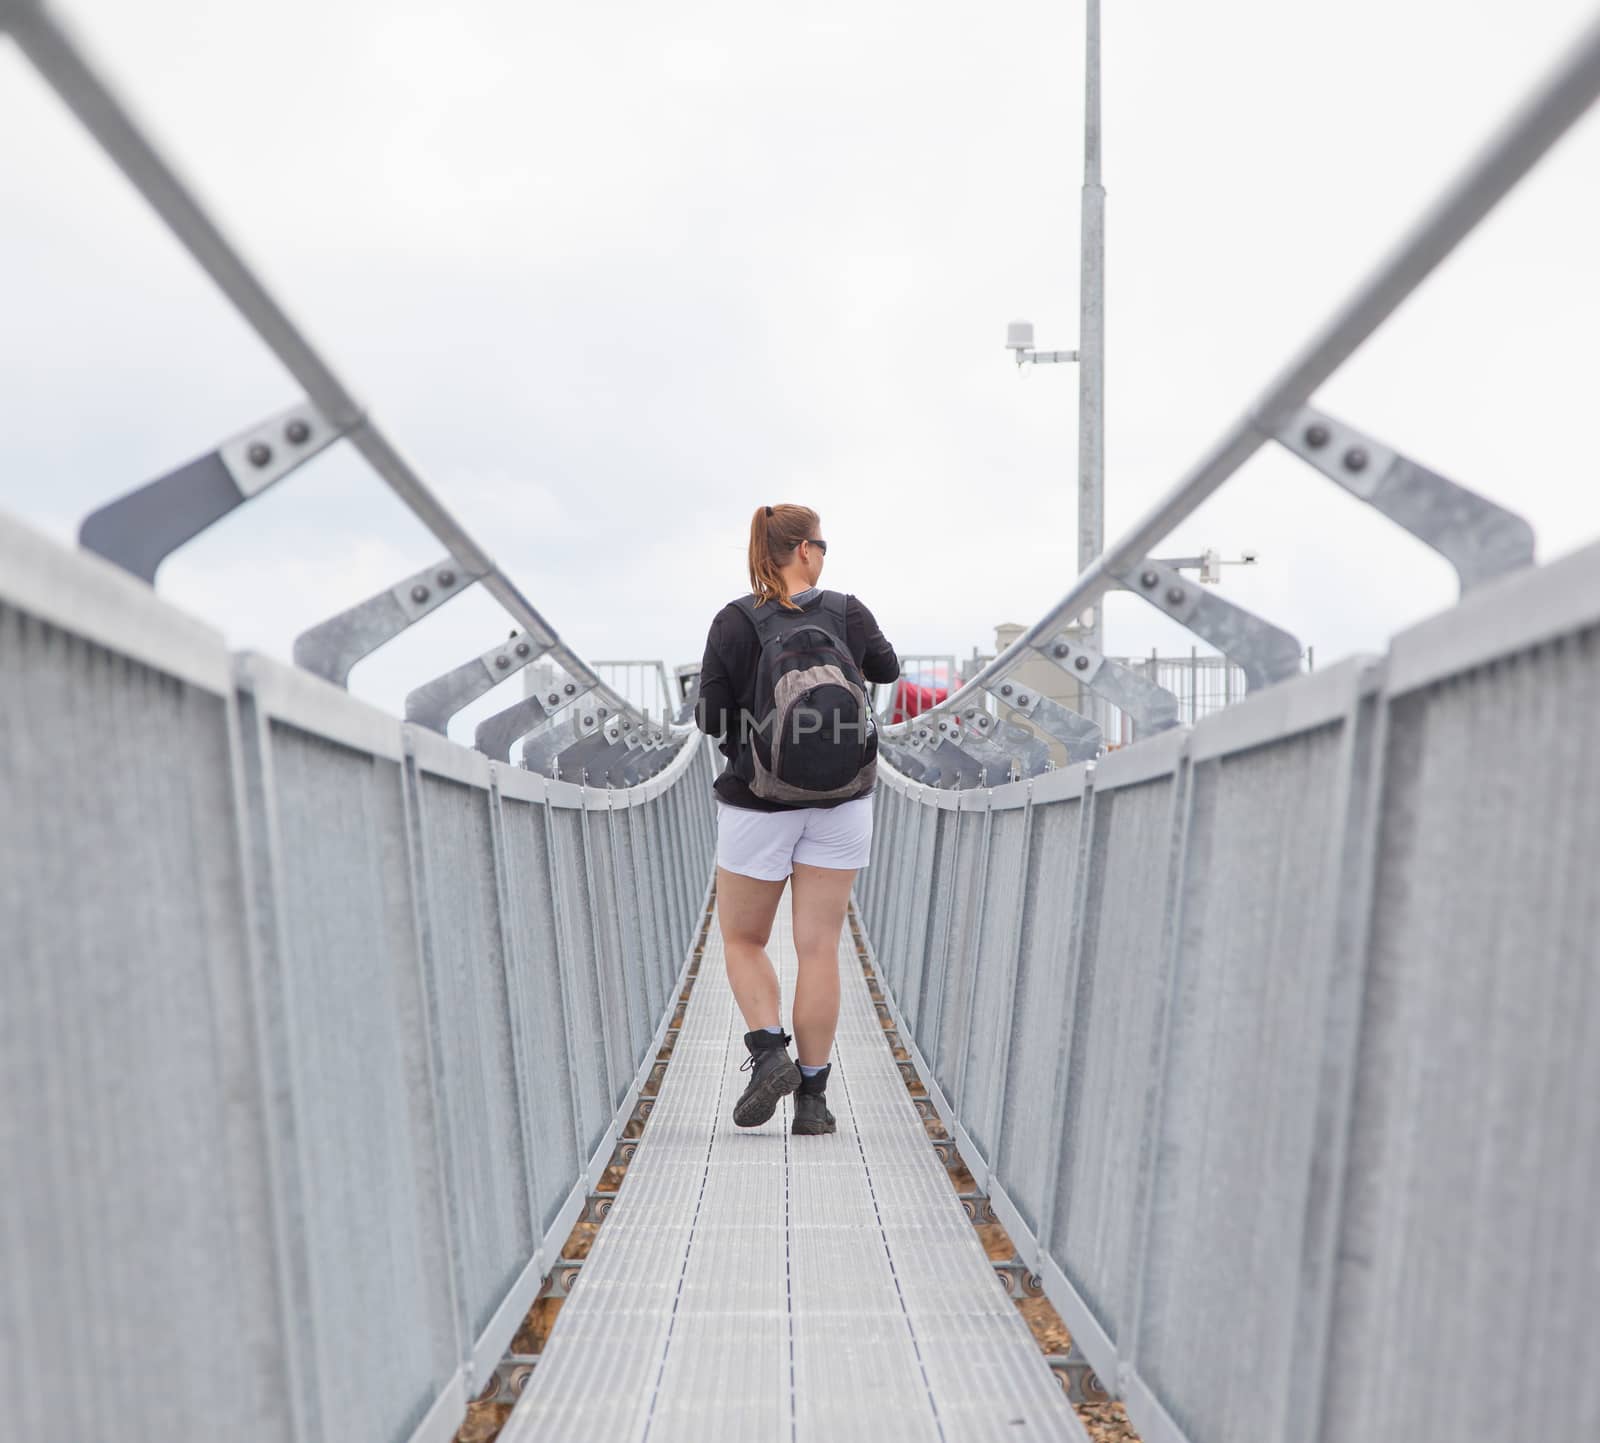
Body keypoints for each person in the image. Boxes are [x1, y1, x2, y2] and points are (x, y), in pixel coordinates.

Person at [694, 503, 900, 1135]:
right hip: (843, 800)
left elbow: (709, 717)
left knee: (743, 940)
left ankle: (768, 1052)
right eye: (822, 544)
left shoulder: (735, 620)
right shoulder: (846, 611)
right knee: (819, 950)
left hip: (759, 802)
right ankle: (813, 1103)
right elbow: (887, 671)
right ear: (806, 551)